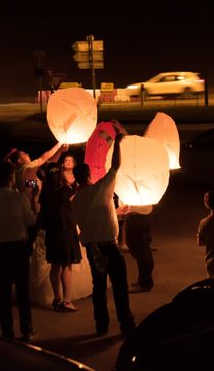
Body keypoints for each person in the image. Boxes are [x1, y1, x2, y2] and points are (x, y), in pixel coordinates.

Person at [72, 133, 135, 336]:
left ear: (76, 178)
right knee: (119, 287)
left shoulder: (75, 200)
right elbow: (115, 166)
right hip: (109, 246)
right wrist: (117, 144)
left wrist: (112, 213)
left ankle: (101, 325)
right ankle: (125, 323)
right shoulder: (101, 189)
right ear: (89, 175)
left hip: (92, 248)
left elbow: (85, 220)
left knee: (98, 288)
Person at [0, 162, 37, 341]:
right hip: (18, 247)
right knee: (22, 290)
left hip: (0, 248)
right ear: (12, 178)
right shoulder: (20, 199)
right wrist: (34, 199)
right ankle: (26, 329)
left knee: (4, 292)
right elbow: (31, 221)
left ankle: (7, 331)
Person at [39, 159, 81, 312]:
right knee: (66, 266)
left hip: (52, 232)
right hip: (66, 231)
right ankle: (67, 301)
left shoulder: (45, 193)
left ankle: (57, 299)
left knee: (55, 265)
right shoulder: (66, 191)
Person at [124, 204, 155, 293]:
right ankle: (144, 280)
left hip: (138, 215)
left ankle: (144, 283)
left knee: (141, 249)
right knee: (141, 248)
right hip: (137, 214)